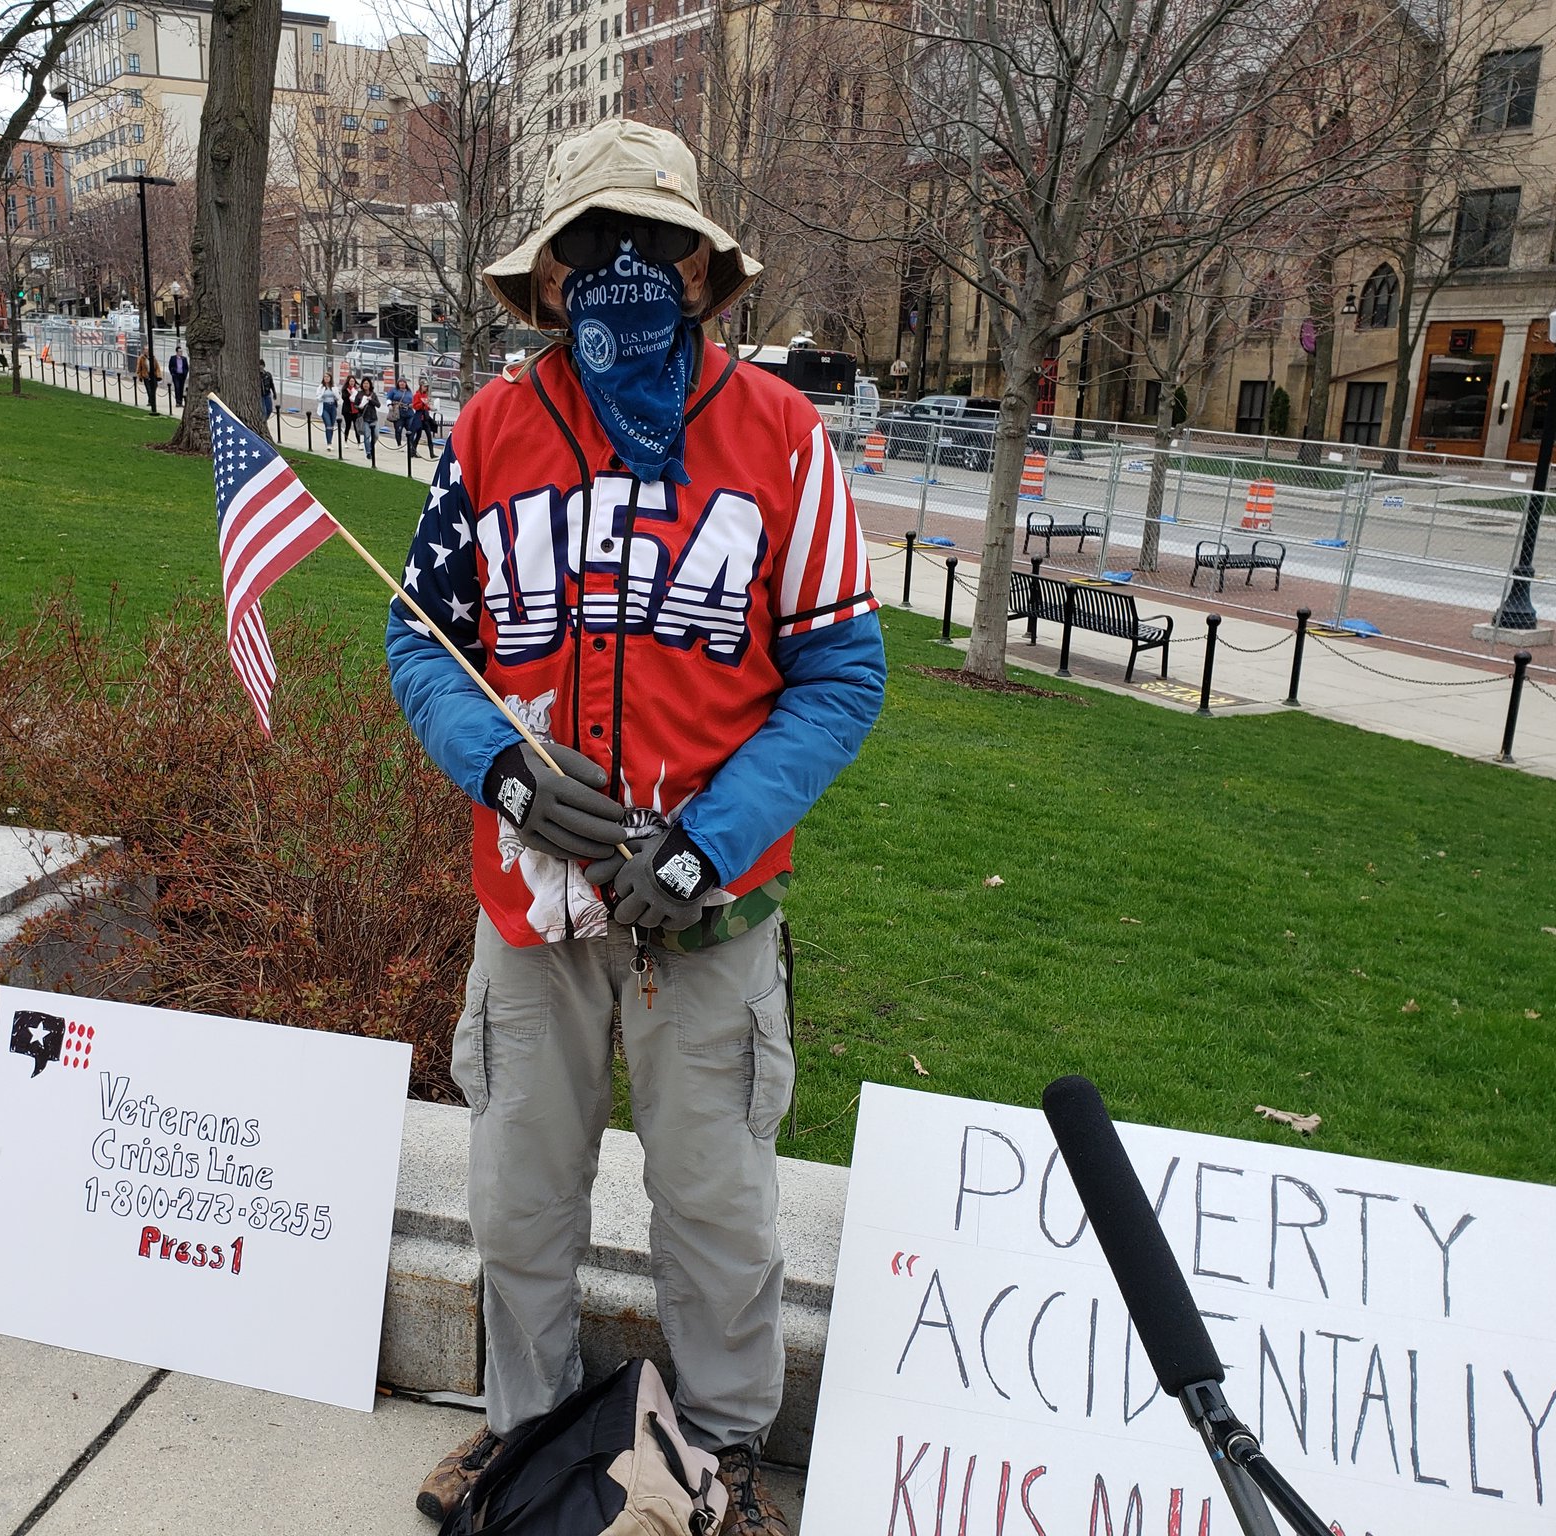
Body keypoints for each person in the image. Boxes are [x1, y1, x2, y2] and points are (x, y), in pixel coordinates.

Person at [386, 119, 884, 1536]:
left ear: (704, 273)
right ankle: (528, 1433)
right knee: (517, 1197)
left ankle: (717, 1455)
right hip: (529, 920)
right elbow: (422, 642)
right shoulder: (490, 434)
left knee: (718, 1208)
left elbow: (844, 671)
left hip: (708, 924)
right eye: (590, 248)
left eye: (650, 247)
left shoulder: (783, 439)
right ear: (545, 281)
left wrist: (708, 839)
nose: (620, 274)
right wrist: (498, 767)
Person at [135, 345, 162, 412]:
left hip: (153, 375)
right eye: (145, 349)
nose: (147, 351)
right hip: (146, 375)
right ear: (143, 350)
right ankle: (151, 401)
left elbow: (157, 366)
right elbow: (139, 367)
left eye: (148, 349)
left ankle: (151, 400)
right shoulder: (141, 358)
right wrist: (139, 375)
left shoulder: (153, 357)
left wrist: (158, 375)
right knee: (148, 389)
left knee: (154, 387)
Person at [319, 371, 339, 444]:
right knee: (328, 424)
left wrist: (335, 395)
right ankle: (329, 442)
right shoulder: (321, 387)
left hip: (332, 406)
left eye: (328, 377)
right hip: (325, 406)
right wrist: (322, 396)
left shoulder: (334, 387)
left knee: (332, 425)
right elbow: (318, 397)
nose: (326, 378)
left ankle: (330, 439)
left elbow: (338, 397)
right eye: (325, 377)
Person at [168, 344, 189, 409]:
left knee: (181, 388)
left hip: (182, 375)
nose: (181, 353)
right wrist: (172, 373)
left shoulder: (184, 359)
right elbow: (170, 366)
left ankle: (180, 402)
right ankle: (177, 402)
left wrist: (185, 374)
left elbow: (186, 367)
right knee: (177, 388)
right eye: (179, 351)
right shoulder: (173, 358)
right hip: (176, 375)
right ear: (177, 352)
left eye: (181, 351)